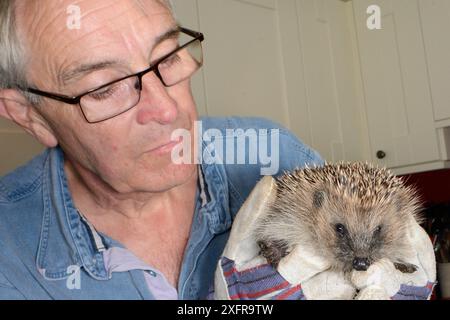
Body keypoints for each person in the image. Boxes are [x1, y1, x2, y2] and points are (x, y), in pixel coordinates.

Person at [0, 0, 323, 299]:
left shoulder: (272, 154)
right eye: (104, 88)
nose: (168, 109)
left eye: (168, 57)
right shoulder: (9, 257)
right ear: (29, 114)